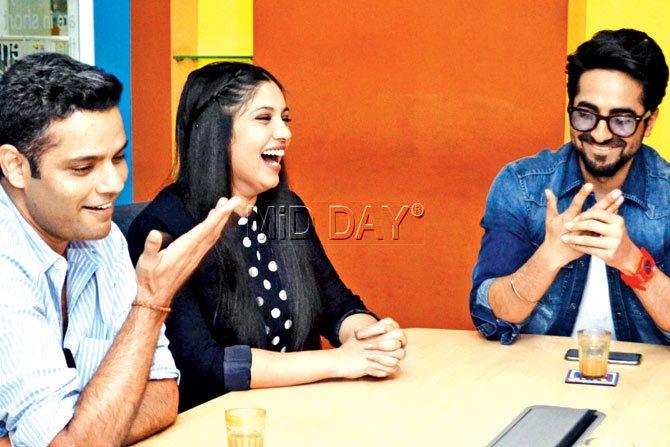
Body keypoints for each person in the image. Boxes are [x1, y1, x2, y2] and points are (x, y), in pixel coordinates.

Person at [126, 62, 407, 411]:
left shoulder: (287, 210)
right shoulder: (163, 229)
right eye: (264, 118)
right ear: (215, 131)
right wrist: (339, 362)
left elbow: (336, 304)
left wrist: (367, 338)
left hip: (303, 412)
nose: (285, 133)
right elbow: (204, 365)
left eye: (285, 119)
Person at [0, 54, 240, 446]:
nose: (113, 184)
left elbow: (164, 395)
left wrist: (79, 429)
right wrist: (150, 303)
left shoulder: (101, 236)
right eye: (83, 168)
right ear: (15, 166)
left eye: (118, 157)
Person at [470, 28, 670, 345]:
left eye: (621, 120)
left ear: (649, 122)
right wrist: (547, 259)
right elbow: (488, 318)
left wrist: (632, 261)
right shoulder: (521, 186)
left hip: (646, 388)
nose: (601, 135)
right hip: (537, 382)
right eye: (586, 115)